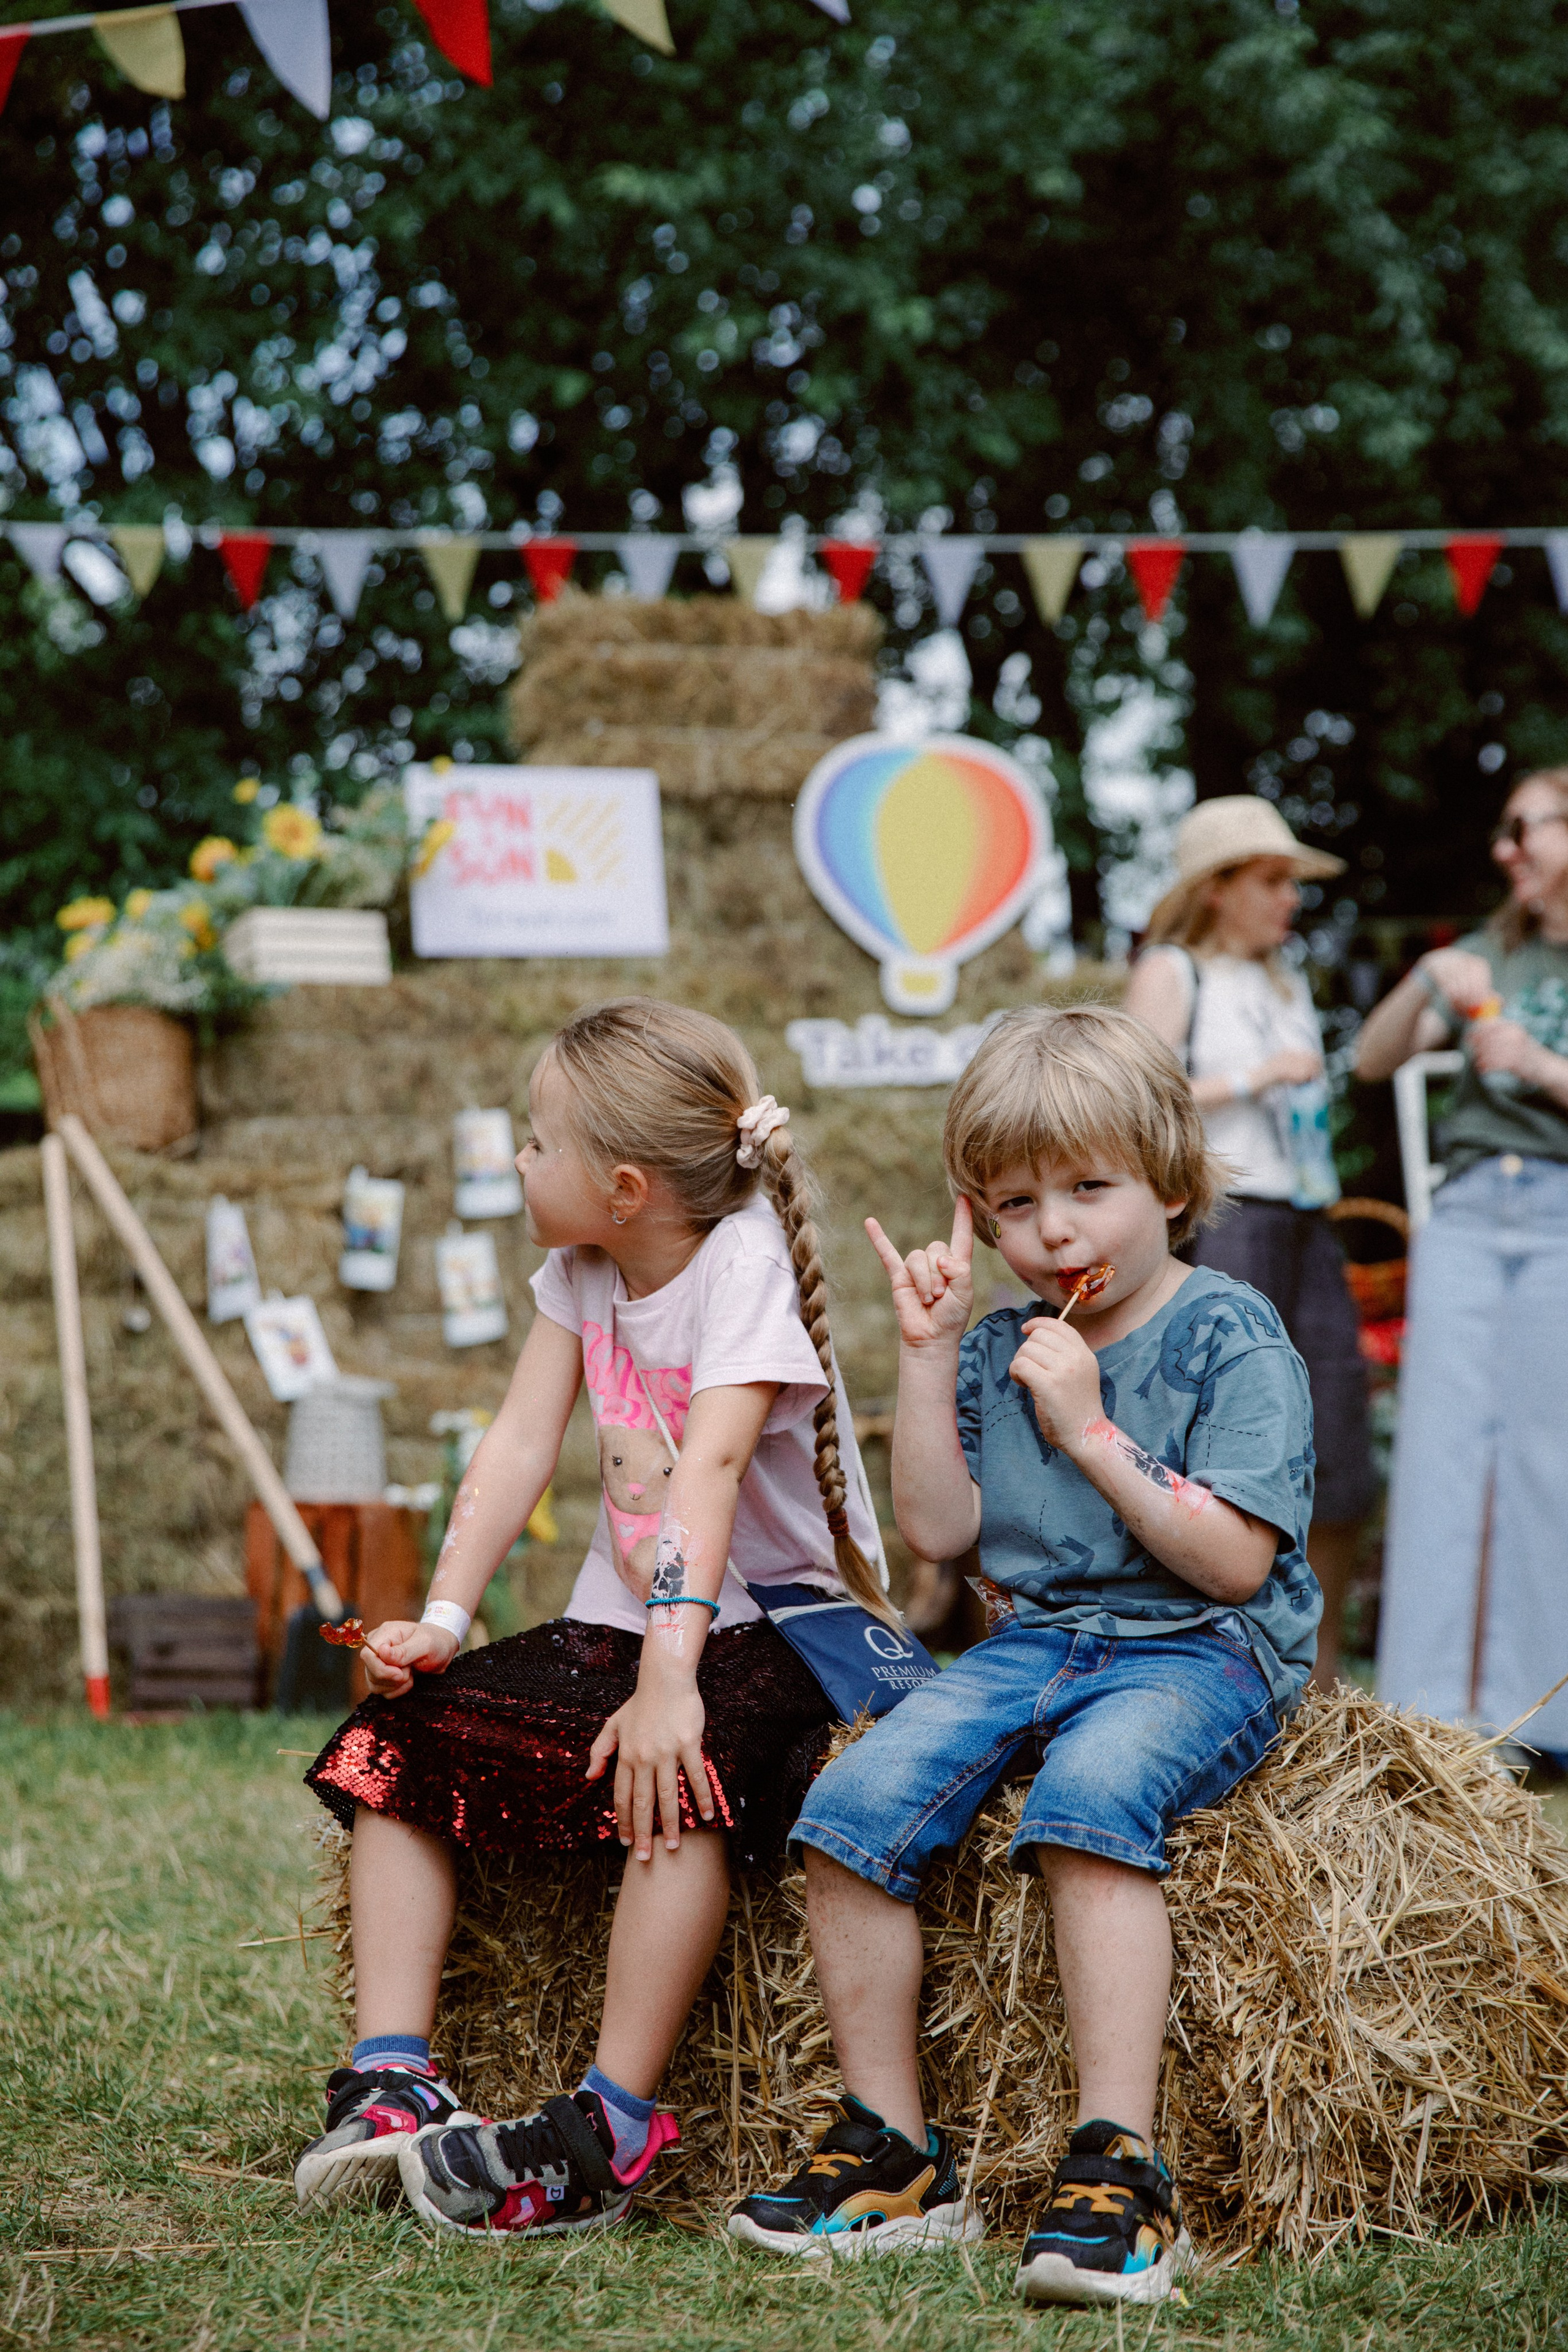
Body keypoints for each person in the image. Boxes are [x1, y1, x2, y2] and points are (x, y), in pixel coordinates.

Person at [729, 1008, 1319, 2304]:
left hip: (1200, 1646)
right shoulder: (1001, 1347)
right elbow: (938, 1536)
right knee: (848, 1807)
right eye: (1012, 1202)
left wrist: (1089, 1428)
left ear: (1170, 1181)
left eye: (1088, 1189)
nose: (1052, 1230)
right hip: (1039, 1639)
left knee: (1089, 1797)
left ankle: (1118, 2168)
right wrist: (931, 1353)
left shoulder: (1230, 1334)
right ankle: (891, 2151)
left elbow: (1229, 1565)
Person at [294, 999, 887, 2235]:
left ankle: (612, 2120)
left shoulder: (740, 1269)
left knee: (666, 1777)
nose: (516, 1163)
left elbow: (709, 1474)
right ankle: (395, 2075)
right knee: (399, 1744)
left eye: (532, 1143)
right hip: (632, 1618)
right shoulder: (578, 1270)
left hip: (769, 1623)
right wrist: (445, 1620)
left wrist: (667, 1682)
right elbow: (518, 1443)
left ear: (622, 1187)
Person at [1123, 794, 1376, 1689]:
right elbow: (1133, 1105)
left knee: (1336, 1427)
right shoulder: (1172, 970)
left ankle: (1324, 1675)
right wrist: (1254, 1077)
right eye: (1273, 880)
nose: (1290, 899)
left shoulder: (1283, 980)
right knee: (1229, 1437)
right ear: (1218, 887)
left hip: (1307, 1217)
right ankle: (1221, 1666)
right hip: (1226, 1222)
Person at [1354, 766, 1568, 1765]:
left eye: (1524, 829)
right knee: (1442, 1454)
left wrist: (1539, 1068)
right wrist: (1427, 982)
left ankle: (1540, 1720)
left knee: (1547, 1461)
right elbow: (1371, 1060)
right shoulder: (1491, 952)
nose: (1504, 850)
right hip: (1474, 1212)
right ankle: (1433, 1722)